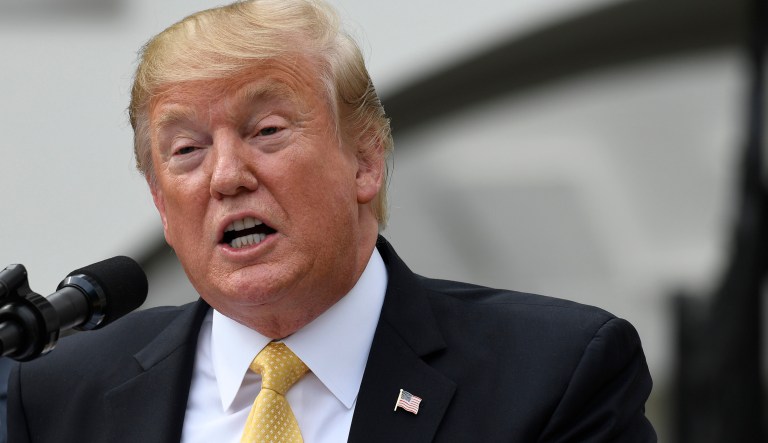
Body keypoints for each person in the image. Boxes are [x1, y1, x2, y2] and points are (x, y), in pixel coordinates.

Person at [7, 0, 656, 441]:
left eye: (265, 130)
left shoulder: (555, 374)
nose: (227, 175)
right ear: (160, 204)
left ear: (366, 161)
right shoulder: (61, 396)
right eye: (186, 150)